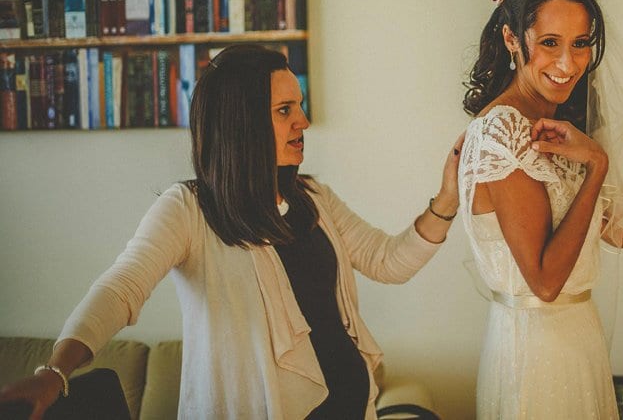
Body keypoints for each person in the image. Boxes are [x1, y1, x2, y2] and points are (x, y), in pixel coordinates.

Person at [0, 44, 464, 420]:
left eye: (298, 106)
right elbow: (121, 288)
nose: (303, 121)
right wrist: (54, 372)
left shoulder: (314, 197)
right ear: (240, 124)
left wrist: (447, 196)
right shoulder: (187, 210)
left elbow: (388, 261)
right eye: (285, 110)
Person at [459, 0, 623, 419]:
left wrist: (592, 142)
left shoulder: (561, 127)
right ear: (511, 39)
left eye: (581, 43)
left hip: (579, 335)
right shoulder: (501, 132)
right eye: (549, 43)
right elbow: (543, 282)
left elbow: (621, 234)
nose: (568, 63)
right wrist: (596, 167)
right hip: (534, 349)